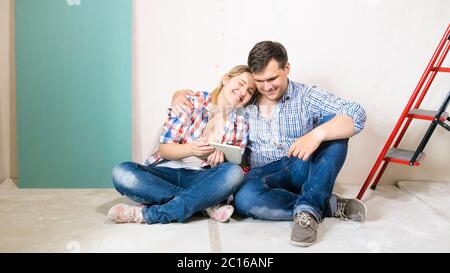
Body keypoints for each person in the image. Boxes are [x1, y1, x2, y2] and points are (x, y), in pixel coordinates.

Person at [172, 41, 367, 246]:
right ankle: (324, 205)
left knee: (335, 128)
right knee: (244, 199)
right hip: (264, 173)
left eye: (272, 78)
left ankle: (308, 212)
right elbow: (213, 97)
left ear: (287, 68)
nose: (267, 87)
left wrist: (316, 135)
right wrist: (178, 95)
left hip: (301, 164)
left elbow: (356, 113)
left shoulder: (306, 95)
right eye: (260, 81)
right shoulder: (246, 98)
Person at [108, 65, 256, 224]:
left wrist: (219, 161)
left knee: (234, 172)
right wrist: (192, 149)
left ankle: (148, 215)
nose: (243, 92)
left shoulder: (240, 124)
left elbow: (231, 168)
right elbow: (164, 150)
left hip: (200, 178)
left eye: (250, 91)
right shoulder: (192, 102)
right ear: (226, 79)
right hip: (163, 174)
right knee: (122, 173)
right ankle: (204, 205)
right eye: (240, 83)